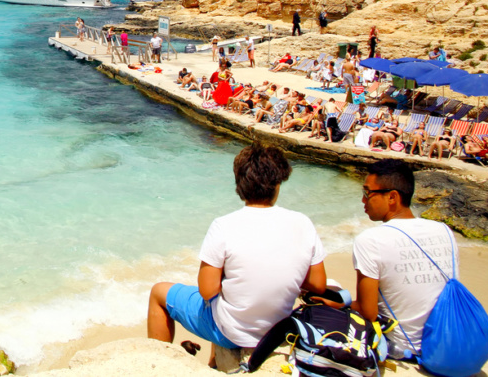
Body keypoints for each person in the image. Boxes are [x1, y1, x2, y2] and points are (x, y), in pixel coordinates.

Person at [147, 144, 327, 365]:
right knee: (227, 289)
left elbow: (206, 290)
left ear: (239, 184)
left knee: (159, 293)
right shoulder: (303, 223)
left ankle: (157, 365)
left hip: (231, 333)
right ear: (278, 184)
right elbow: (318, 284)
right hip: (277, 329)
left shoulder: (223, 225)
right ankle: (213, 361)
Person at [352, 159, 459, 360]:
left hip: (402, 347)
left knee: (331, 293)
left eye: (368, 193)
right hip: (448, 340)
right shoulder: (444, 231)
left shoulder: (370, 240)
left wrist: (340, 302)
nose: (363, 200)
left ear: (392, 197)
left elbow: (368, 313)